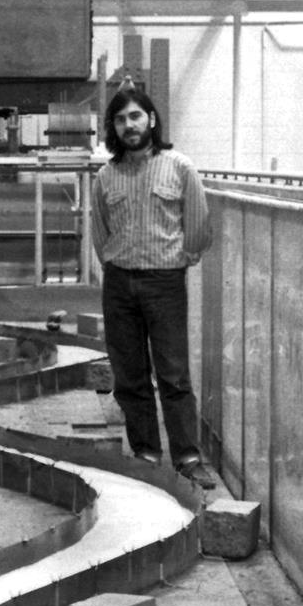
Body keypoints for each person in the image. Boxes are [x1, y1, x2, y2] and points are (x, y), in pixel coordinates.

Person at [90, 85, 217, 488]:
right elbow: (100, 233)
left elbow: (197, 226)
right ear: (114, 127)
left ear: (151, 120)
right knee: (129, 377)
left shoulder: (179, 167)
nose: (129, 125)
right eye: (121, 119)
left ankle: (187, 457)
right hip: (119, 284)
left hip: (165, 284)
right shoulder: (106, 176)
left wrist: (181, 256)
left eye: (135, 117)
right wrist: (116, 264)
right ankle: (146, 452)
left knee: (174, 375)